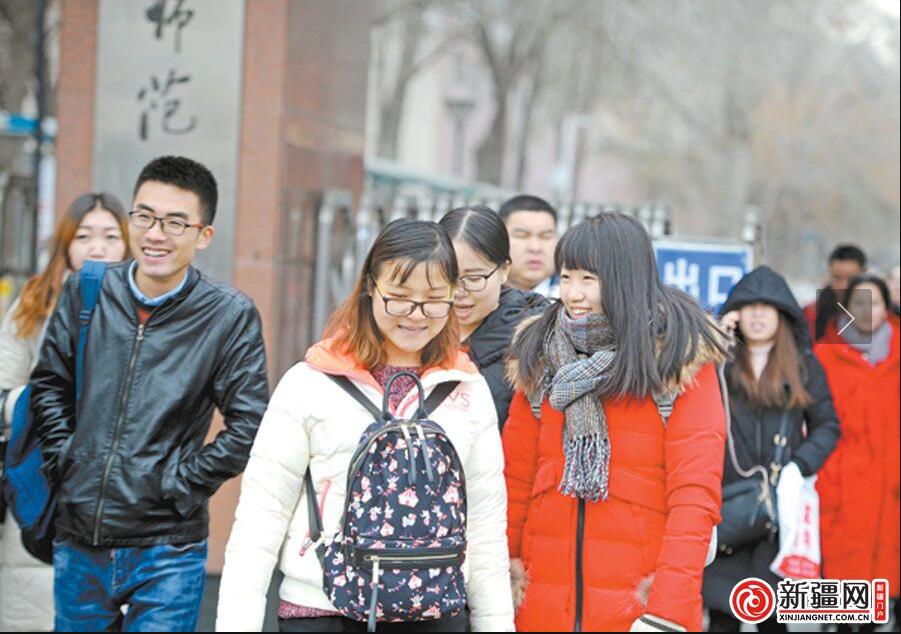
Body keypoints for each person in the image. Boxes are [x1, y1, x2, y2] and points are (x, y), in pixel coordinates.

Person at [216, 219, 514, 632]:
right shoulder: (311, 382)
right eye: (399, 298)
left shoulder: (468, 388)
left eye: (433, 300)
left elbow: (485, 531)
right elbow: (259, 518)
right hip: (322, 609)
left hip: (435, 611)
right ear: (370, 286)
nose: (416, 315)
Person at [29, 156, 270, 632]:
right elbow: (50, 384)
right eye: (144, 216)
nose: (155, 234)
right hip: (80, 538)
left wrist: (179, 484)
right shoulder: (88, 289)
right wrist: (67, 460)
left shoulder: (227, 316)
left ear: (203, 235)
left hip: (167, 547)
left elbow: (250, 423)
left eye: (175, 222)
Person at [503, 213, 728, 632]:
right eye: (566, 277)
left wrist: (666, 613)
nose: (573, 294)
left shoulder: (676, 357)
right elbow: (515, 482)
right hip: (542, 606)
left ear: (625, 279)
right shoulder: (540, 352)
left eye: (589, 279)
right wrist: (501, 595)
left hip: (639, 610)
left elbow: (694, 498)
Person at [0, 192, 129, 632]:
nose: (97, 248)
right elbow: (3, 392)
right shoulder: (34, 302)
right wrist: (51, 401)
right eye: (84, 236)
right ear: (65, 245)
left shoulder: (147, 310)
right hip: (41, 486)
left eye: (110, 237)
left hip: (117, 496)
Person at [702, 266, 840, 633]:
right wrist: (716, 338)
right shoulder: (717, 361)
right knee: (721, 617)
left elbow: (827, 426)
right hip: (727, 507)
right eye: (749, 307)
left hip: (780, 511)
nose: (758, 316)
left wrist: (800, 465)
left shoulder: (804, 364)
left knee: (773, 617)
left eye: (768, 308)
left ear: (783, 315)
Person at [815, 274, 900, 632]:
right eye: (859, 303)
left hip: (890, 493)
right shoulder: (823, 356)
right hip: (839, 487)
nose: (867, 311)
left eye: (874, 303)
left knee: (882, 592)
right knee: (840, 599)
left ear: (887, 308)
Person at [438, 206, 549, 428]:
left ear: (504, 270)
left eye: (474, 278)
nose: (459, 292)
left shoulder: (533, 341)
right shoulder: (415, 327)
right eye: (448, 277)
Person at [498, 195, 559, 298]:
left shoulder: (573, 298)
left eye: (546, 237)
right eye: (521, 236)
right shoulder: (479, 297)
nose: (535, 248)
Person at [803, 244, 867, 342]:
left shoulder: (881, 313)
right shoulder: (811, 314)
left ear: (864, 274)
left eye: (851, 279)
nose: (844, 285)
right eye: (837, 278)